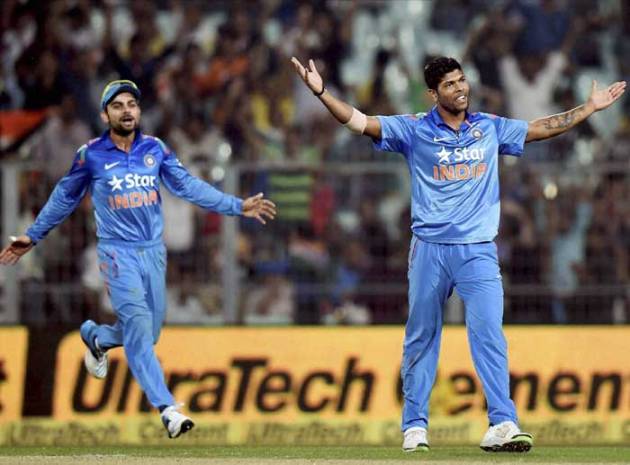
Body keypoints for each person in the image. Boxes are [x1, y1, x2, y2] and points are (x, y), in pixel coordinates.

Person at [291, 55, 625, 453]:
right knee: (422, 337)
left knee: (489, 334)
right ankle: (415, 427)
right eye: (450, 84)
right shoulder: (414, 128)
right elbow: (359, 122)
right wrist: (322, 93)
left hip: (479, 251)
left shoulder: (488, 127)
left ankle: (502, 423)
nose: (460, 88)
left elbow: (540, 128)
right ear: (434, 94)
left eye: (462, 80)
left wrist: (589, 108)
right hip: (429, 250)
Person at [0, 79, 276, 439]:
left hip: (153, 252)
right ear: (105, 115)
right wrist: (33, 235)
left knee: (149, 331)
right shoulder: (90, 155)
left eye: (131, 104)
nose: (126, 110)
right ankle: (168, 409)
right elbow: (64, 197)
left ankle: (97, 337)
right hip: (117, 253)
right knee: (140, 328)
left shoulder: (155, 149)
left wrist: (236, 205)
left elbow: (188, 185)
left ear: (139, 111)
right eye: (117, 106)